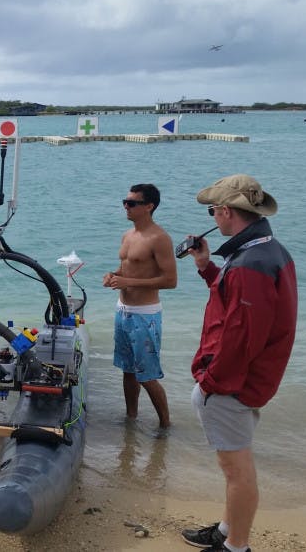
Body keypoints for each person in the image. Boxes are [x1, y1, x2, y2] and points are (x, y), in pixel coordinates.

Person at [178, 174, 297, 552]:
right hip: (247, 379)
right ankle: (230, 530)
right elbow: (238, 305)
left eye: (212, 210)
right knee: (235, 466)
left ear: (226, 211)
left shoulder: (250, 264)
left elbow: (243, 338)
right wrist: (206, 266)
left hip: (234, 384)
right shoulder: (265, 250)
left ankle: (236, 546)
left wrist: (211, 383)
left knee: (237, 471)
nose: (211, 215)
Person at [102, 184, 177, 429]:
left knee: (147, 375)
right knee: (127, 370)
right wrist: (113, 276)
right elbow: (126, 269)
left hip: (145, 315)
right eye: (125, 201)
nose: (126, 206)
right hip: (123, 310)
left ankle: (165, 425)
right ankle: (131, 418)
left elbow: (170, 280)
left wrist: (128, 281)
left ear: (149, 207)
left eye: (132, 203)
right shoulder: (127, 235)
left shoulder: (160, 238)